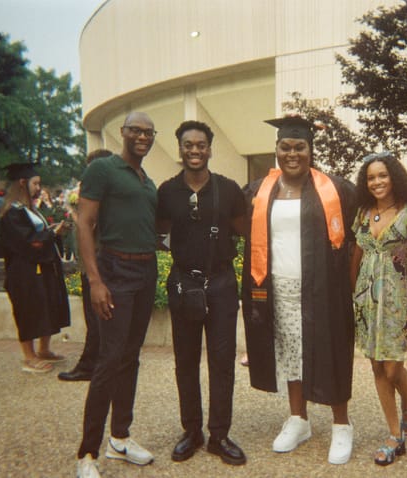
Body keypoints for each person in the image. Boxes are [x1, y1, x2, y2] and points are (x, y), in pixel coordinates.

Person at [242, 115, 357, 465]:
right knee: (290, 352)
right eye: (285, 147)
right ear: (276, 149)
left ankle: (341, 425)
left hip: (324, 289)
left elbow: (358, 236)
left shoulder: (335, 189)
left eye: (299, 147)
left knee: (331, 350)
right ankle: (298, 419)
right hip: (277, 285)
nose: (292, 153)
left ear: (311, 150)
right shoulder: (260, 190)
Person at [156, 120, 247, 465]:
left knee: (222, 363)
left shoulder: (228, 189)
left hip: (221, 283)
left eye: (201, 145)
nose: (194, 150)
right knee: (185, 362)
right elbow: (160, 232)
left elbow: (244, 230)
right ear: (179, 149)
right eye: (188, 145)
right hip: (183, 285)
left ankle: (219, 435)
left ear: (210, 148)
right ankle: (191, 430)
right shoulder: (167, 191)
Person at [74, 112, 159, 478]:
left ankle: (120, 439)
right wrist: (94, 280)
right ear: (122, 133)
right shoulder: (104, 169)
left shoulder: (145, 179)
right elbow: (84, 223)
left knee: (129, 358)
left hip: (145, 271)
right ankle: (87, 454)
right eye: (135, 130)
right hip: (115, 271)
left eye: (147, 132)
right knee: (109, 360)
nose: (141, 136)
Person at [349, 151, 407, 466]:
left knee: (394, 367)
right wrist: (351, 292)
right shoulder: (363, 212)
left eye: (382, 175)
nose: (377, 182)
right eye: (371, 177)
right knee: (378, 367)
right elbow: (357, 254)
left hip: (396, 296)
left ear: (394, 176)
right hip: (366, 297)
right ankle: (395, 435)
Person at [0, 162, 70, 373]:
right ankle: (29, 357)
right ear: (22, 183)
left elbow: (39, 236)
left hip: (41, 268)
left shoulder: (30, 210)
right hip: (24, 272)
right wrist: (53, 233)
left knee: (46, 307)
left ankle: (44, 350)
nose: (39, 187)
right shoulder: (12, 213)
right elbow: (30, 242)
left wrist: (54, 231)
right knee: (29, 311)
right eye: (35, 183)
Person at [59, 149, 113, 382]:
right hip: (99, 264)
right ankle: (98, 364)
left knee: (96, 320)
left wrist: (78, 217)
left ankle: (89, 365)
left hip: (96, 265)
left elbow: (90, 228)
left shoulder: (100, 198)